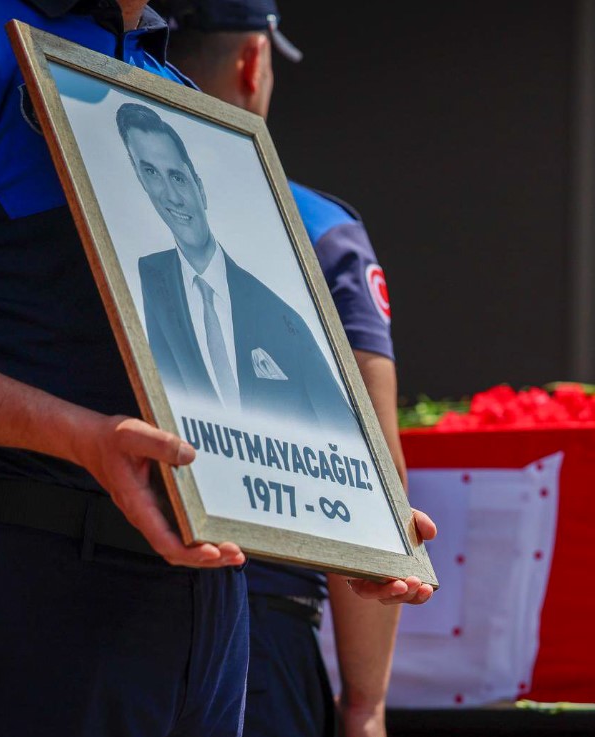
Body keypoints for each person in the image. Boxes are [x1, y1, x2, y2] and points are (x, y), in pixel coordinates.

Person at [0, 2, 433, 735]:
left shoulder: (173, 87)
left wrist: (349, 513)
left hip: (213, 613)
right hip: (47, 583)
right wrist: (79, 436)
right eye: (151, 175)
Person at [157, 2, 420, 735]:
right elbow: (372, 464)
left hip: (90, 611)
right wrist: (365, 706)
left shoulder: (75, 207)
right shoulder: (320, 229)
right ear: (253, 61)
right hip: (259, 634)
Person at [117, 101, 357, 436]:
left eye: (177, 177)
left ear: (200, 188)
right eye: (151, 173)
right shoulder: (146, 279)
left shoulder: (282, 317)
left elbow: (345, 440)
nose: (170, 195)